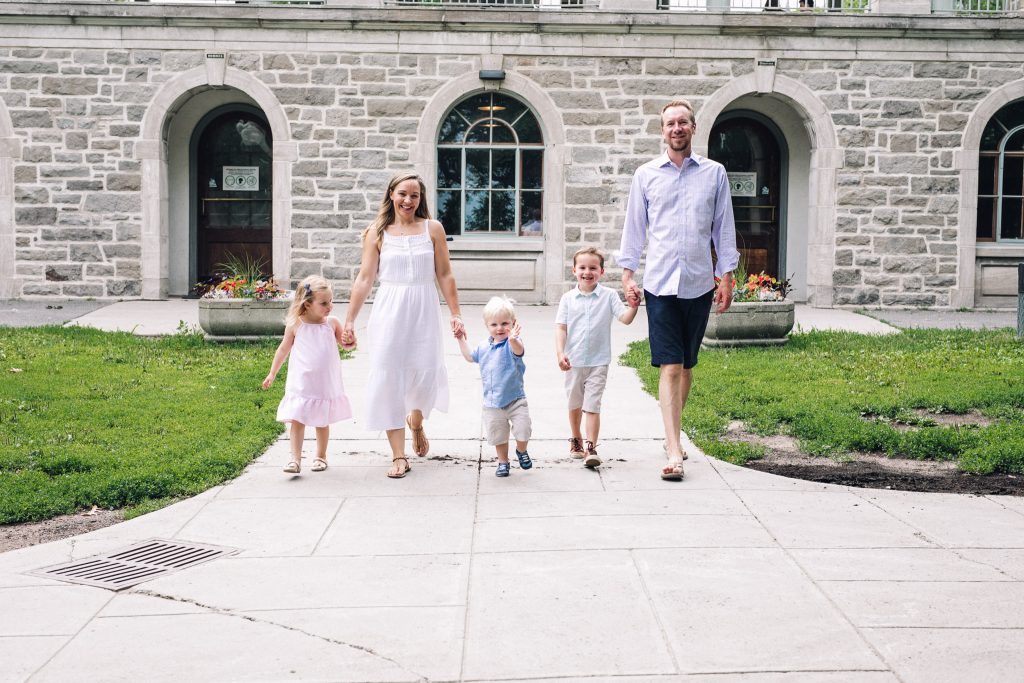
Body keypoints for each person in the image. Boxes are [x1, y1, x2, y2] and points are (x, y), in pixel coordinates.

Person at [618, 99, 740, 481]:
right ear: (662, 131)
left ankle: (674, 431)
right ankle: (673, 449)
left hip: (699, 282)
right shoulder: (646, 175)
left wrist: (727, 276)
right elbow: (634, 228)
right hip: (659, 283)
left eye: (683, 122)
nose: (677, 128)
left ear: (693, 127)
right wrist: (627, 274)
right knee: (669, 364)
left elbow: (723, 226)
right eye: (670, 123)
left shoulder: (714, 173)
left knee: (686, 366)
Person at [342, 172, 464, 479]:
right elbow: (365, 279)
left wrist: (456, 313)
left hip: (424, 308)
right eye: (402, 194)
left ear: (421, 200)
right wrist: (350, 320)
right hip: (389, 311)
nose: (408, 200)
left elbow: (445, 275)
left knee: (423, 373)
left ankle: (417, 420)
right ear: (391, 195)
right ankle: (398, 455)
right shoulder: (377, 232)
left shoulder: (432, 229)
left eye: (414, 195)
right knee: (388, 377)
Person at [555, 247, 639, 469]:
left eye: (593, 268)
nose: (587, 272)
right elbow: (561, 328)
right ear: (574, 270)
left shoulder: (609, 296)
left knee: (592, 405)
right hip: (573, 362)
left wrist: (634, 307)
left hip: (598, 362)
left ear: (601, 271)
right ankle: (576, 439)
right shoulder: (567, 299)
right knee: (574, 403)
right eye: (582, 267)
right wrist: (560, 353)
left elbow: (625, 319)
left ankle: (591, 447)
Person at [262, 275, 354, 474]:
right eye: (323, 303)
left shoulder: (332, 323)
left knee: (322, 420)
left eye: (331, 301)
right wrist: (272, 373)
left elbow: (346, 346)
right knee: (297, 418)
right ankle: (295, 459)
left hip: (324, 383)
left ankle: (321, 456)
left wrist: (349, 340)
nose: (329, 306)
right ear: (307, 304)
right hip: (301, 381)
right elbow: (283, 350)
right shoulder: (296, 325)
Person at [455, 296, 533, 478]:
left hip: (516, 399)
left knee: (523, 430)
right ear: (487, 326)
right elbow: (469, 356)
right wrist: (460, 339)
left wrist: (513, 338)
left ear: (513, 324)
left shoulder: (513, 343)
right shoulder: (484, 347)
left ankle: (521, 450)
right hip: (492, 403)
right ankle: (503, 462)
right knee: (499, 436)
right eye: (494, 324)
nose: (499, 328)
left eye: (505, 323)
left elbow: (519, 350)